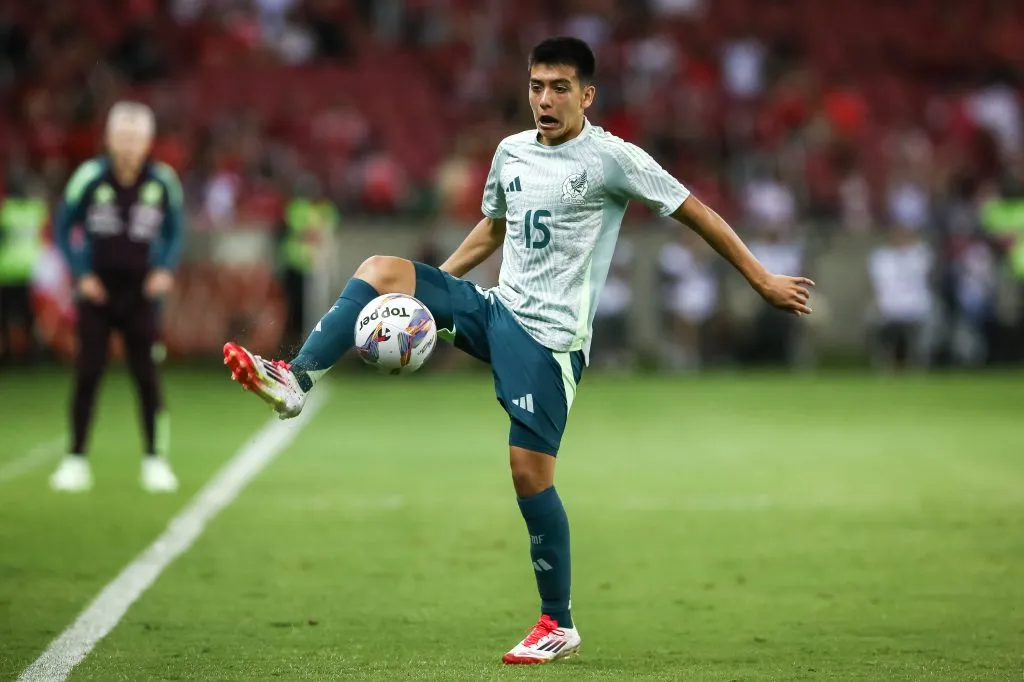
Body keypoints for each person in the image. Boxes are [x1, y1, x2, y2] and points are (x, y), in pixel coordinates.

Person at [223, 37, 813, 664]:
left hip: (551, 341)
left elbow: (695, 211)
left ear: (586, 95)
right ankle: (295, 378)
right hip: (498, 308)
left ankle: (557, 623)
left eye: (559, 88)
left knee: (528, 473)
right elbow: (496, 228)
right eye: (536, 86)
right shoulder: (510, 153)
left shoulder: (613, 159)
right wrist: (425, 302)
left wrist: (760, 277)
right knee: (382, 269)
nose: (545, 99)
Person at [51, 101, 185, 493]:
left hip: (142, 295)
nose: (127, 144)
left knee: (147, 377)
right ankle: (75, 459)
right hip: (97, 293)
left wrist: (165, 268)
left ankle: (155, 460)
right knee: (88, 373)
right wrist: (80, 273)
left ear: (147, 141)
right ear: (109, 139)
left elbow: (176, 230)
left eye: (135, 137)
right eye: (121, 136)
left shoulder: (162, 181)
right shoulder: (89, 177)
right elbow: (63, 228)